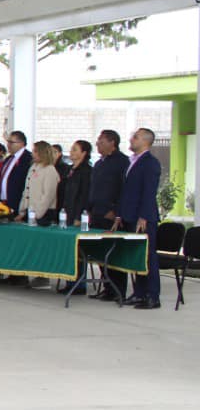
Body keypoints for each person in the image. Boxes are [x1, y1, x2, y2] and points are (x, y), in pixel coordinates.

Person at [115, 127, 163, 309]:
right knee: (136, 257)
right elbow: (126, 191)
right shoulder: (132, 162)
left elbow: (148, 192)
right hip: (129, 215)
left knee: (148, 257)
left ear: (145, 141)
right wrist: (120, 214)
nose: (131, 139)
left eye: (135, 137)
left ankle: (152, 295)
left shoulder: (150, 163)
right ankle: (139, 293)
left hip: (143, 217)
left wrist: (144, 216)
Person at [87, 129, 130, 302]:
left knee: (114, 253)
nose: (97, 144)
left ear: (112, 142)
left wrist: (117, 210)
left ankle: (117, 290)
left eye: (101, 141)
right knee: (101, 252)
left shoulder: (122, 162)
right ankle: (107, 287)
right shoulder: (99, 163)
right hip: (96, 212)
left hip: (110, 214)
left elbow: (124, 190)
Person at [21, 140, 60, 226]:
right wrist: (23, 210)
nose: (32, 154)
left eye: (35, 151)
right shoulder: (33, 167)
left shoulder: (50, 170)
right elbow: (27, 190)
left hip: (44, 213)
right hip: (31, 211)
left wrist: (38, 214)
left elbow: (48, 195)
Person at [0, 130, 31, 216]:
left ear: (21, 143)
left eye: (11, 142)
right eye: (8, 142)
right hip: (3, 203)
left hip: (18, 203)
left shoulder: (28, 159)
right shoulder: (8, 159)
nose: (8, 145)